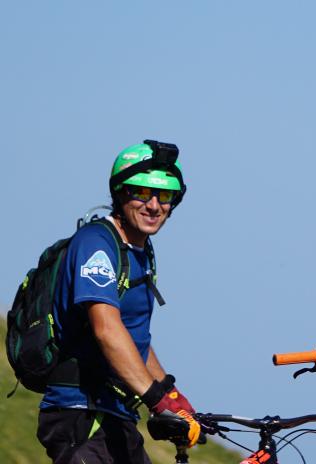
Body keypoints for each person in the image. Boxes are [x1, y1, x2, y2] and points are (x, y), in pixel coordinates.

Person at [36, 140, 201, 464]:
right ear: (121, 193)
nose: (154, 205)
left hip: (115, 412)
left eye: (164, 196)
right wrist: (156, 399)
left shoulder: (139, 253)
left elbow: (134, 336)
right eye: (142, 192)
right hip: (81, 411)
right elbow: (107, 330)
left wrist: (170, 394)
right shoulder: (97, 243)